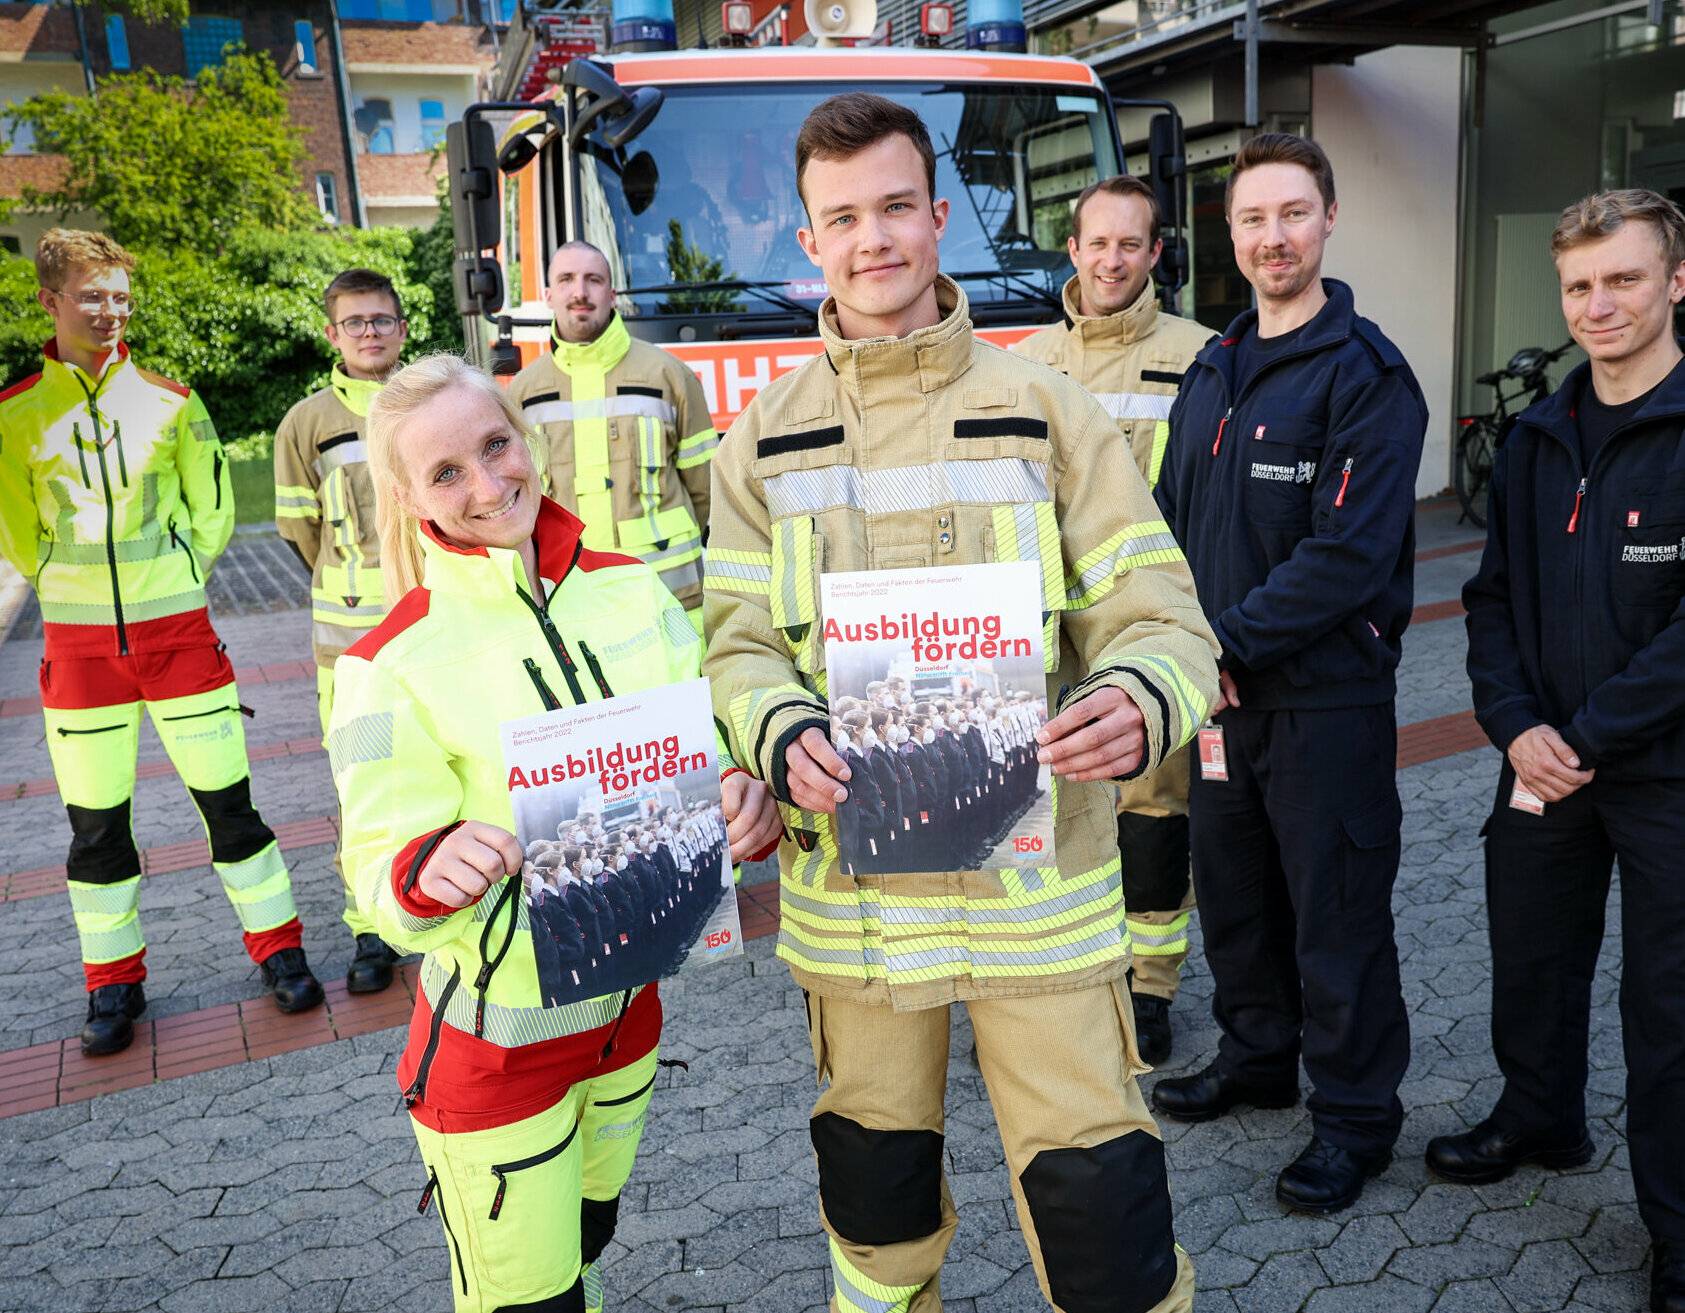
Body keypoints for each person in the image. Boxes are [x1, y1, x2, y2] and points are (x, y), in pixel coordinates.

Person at [703, 93, 1220, 1313]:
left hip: (1036, 906)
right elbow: (730, 645)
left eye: (894, 207)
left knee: (1106, 1231)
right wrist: (773, 732)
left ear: (938, 217)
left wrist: (1140, 698)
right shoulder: (757, 443)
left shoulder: (1048, 408)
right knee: (874, 1218)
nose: (871, 237)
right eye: (843, 217)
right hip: (857, 916)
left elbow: (1162, 616)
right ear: (807, 240)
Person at [328, 354, 780, 1313]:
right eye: (447, 473)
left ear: (525, 438)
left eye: (496, 446)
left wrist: (739, 794)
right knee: (529, 1301)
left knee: (586, 1249)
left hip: (630, 1026)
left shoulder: (634, 590)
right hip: (497, 1053)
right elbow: (373, 873)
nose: (489, 485)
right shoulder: (382, 665)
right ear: (407, 494)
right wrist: (424, 867)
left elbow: (703, 749)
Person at [1150, 133, 1426, 1215]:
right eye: (1251, 218)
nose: (1272, 236)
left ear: (1327, 219)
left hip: (1321, 704)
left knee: (1335, 913)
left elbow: (1345, 555)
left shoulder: (1366, 376)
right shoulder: (1213, 368)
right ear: (1229, 236)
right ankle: (1256, 1054)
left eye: (1291, 214)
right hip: (1221, 707)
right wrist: (1173, 644)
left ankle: (1354, 1116)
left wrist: (1217, 649)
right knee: (1235, 900)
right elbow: (1165, 526)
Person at [1443, 188, 1685, 1313]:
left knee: (1668, 1007)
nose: (1597, 304)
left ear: (1673, 281)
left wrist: (1582, 734)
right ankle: (1537, 1115)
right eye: (1578, 285)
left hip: (1662, 774)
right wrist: (1512, 726)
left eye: (1622, 279)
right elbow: (1488, 598)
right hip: (1540, 761)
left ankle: (1676, 1229)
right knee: (1530, 958)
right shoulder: (1537, 436)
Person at [0, 228, 322, 1057]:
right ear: (50, 301)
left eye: (119, 296)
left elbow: (210, 511)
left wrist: (175, 572)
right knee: (96, 830)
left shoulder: (174, 401)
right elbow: (16, 529)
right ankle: (113, 983)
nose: (109, 311)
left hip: (178, 633)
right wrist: (68, 585)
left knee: (232, 810)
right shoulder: (14, 411)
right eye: (91, 296)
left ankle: (280, 950)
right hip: (78, 652)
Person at [1015, 175, 1215, 1064]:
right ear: (1073, 249)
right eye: (1097, 243)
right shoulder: (1024, 362)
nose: (1111, 259)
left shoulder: (1205, 355)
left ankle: (1151, 985)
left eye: (1129, 244)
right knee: (1049, 809)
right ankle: (1050, 977)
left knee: (1151, 808)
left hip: (1144, 625)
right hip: (1043, 637)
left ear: (1154, 253)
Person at [273, 267, 408, 994]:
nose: (368, 333)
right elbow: (302, 533)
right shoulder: (306, 422)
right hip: (350, 643)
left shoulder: (430, 401)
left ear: (402, 329)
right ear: (332, 334)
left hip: (434, 628)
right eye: (354, 323)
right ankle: (370, 928)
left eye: (380, 320)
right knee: (362, 785)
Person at [507, 241, 718, 626]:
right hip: (572, 601)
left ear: (611, 294)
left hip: (670, 599)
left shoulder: (670, 376)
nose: (580, 292)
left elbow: (707, 491)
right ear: (549, 295)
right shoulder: (520, 393)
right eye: (567, 279)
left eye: (593, 279)